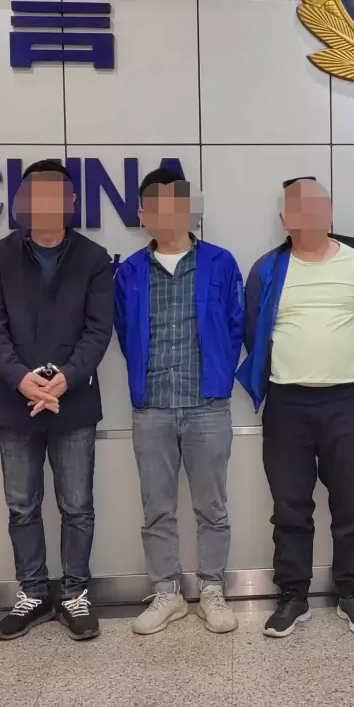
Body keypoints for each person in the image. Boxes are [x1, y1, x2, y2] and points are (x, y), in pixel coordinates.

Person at [237, 177, 354, 637]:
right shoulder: (267, 268)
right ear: (285, 219)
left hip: (347, 399)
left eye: (317, 207)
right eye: (297, 209)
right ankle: (293, 595)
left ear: (331, 213)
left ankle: (352, 591)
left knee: (353, 504)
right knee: (290, 507)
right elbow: (253, 330)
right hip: (287, 401)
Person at [0, 159, 113, 642]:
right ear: (23, 202)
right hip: (15, 401)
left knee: (77, 506)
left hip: (73, 401)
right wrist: (22, 379)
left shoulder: (94, 258)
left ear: (72, 203)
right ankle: (33, 593)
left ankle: (75, 594)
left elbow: (98, 330)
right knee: (21, 506)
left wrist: (64, 380)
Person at [113, 167, 244, 636]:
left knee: (213, 506)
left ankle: (212, 589)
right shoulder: (129, 271)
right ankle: (166, 593)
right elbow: (125, 332)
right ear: (143, 214)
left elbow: (236, 324)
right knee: (157, 507)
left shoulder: (220, 262)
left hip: (207, 404)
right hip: (152, 406)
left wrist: (219, 375)